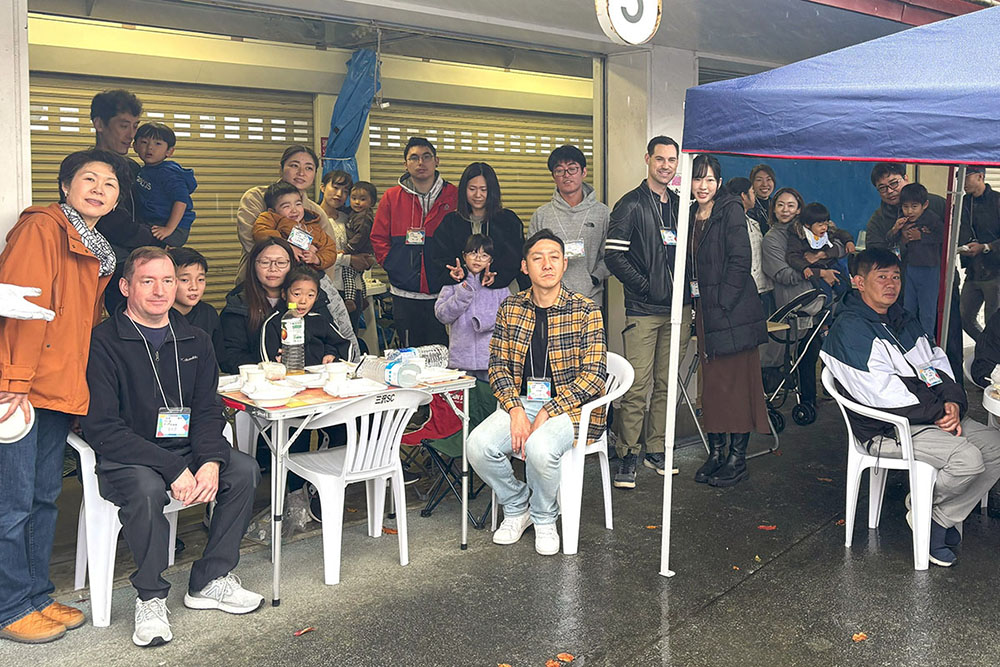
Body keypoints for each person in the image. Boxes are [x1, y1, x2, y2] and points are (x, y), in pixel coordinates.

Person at [80, 247, 263, 646]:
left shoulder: (195, 338)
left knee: (243, 470)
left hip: (186, 449)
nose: (160, 290)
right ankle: (150, 596)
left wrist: (210, 460)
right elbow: (102, 428)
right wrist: (172, 467)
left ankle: (210, 578)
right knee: (147, 491)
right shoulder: (102, 343)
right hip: (129, 456)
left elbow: (208, 410)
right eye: (147, 281)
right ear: (125, 287)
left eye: (168, 280)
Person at [0, 149, 124, 645]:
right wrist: (12, 382)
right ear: (66, 186)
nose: (99, 189)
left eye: (109, 184)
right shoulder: (42, 228)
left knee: (42, 498)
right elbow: (19, 309)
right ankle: (9, 606)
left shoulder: (95, 247)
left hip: (56, 389)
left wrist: (79, 393)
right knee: (12, 502)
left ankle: (35, 595)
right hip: (22, 389)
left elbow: (81, 331)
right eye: (88, 179)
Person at [820, 248, 1000, 567]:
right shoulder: (850, 329)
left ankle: (936, 516)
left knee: (995, 446)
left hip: (926, 414)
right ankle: (931, 516)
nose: (891, 284)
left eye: (896, 276)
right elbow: (883, 393)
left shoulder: (902, 319)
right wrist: (939, 410)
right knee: (968, 460)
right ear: (858, 282)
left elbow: (934, 366)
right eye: (881, 277)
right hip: (887, 428)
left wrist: (952, 402)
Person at [467, 229, 607, 556]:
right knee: (478, 446)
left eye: (554, 257)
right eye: (538, 258)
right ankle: (518, 506)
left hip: (573, 408)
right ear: (524, 266)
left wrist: (549, 410)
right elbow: (497, 365)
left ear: (564, 264)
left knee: (540, 447)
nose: (547, 265)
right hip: (523, 401)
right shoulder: (511, 307)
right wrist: (515, 409)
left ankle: (545, 517)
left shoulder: (585, 310)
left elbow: (594, 376)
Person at [604, 136, 691, 488]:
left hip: (678, 310)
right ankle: (627, 453)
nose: (666, 166)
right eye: (660, 159)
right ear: (647, 160)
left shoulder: (681, 205)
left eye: (671, 160)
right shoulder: (630, 204)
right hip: (643, 310)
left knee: (666, 384)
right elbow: (613, 256)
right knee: (637, 385)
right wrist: (646, 286)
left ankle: (656, 449)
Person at [689, 155, 769, 487]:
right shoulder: (689, 215)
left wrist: (721, 302)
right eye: (697, 179)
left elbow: (740, 261)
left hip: (732, 313)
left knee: (737, 387)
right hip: (707, 314)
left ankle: (737, 459)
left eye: (709, 179)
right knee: (714, 388)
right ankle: (717, 453)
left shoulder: (730, 210)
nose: (703, 186)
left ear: (719, 183)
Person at [864, 162, 962, 380]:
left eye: (894, 183)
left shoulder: (937, 204)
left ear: (905, 178)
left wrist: (925, 238)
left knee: (949, 342)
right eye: (882, 188)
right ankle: (925, 392)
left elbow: (958, 236)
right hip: (905, 291)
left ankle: (955, 393)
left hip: (942, 285)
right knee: (913, 346)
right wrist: (898, 239)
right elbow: (873, 254)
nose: (890, 191)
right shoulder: (878, 220)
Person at [370, 137, 457, 347]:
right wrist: (393, 264)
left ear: (436, 161)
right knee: (411, 353)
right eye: (414, 158)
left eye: (426, 157)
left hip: (444, 292)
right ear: (405, 164)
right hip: (404, 292)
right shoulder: (392, 197)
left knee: (444, 354)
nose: (421, 163)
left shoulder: (454, 195)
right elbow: (378, 237)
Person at [89, 89, 156, 312]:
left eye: (135, 126)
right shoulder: (85, 168)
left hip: (136, 262)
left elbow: (148, 208)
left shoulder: (133, 167)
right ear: (99, 124)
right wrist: (154, 240)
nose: (131, 135)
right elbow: (111, 222)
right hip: (104, 266)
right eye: (124, 125)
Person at [761, 187, 822, 411]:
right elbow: (782, 275)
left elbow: (834, 244)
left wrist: (822, 257)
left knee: (811, 352)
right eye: (780, 205)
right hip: (793, 304)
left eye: (790, 205)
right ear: (773, 209)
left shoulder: (806, 231)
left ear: (799, 209)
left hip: (816, 301)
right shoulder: (771, 239)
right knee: (799, 354)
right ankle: (802, 403)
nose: (785, 210)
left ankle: (809, 402)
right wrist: (816, 270)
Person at [428, 161, 527, 294]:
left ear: (492, 191)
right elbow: (439, 258)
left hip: (502, 293)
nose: (478, 195)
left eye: (483, 189)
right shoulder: (451, 222)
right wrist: (454, 273)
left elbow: (515, 258)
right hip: (463, 294)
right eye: (472, 189)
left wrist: (496, 275)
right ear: (464, 190)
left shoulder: (508, 220)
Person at [529, 145, 610, 305]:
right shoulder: (541, 214)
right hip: (549, 299)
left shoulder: (602, 213)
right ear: (553, 176)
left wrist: (595, 278)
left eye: (572, 169)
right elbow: (532, 256)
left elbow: (611, 256)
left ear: (584, 172)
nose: (566, 175)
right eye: (559, 170)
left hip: (590, 299)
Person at [434, 234, 509, 382]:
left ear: (491, 260)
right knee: (462, 396)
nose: (478, 259)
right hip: (460, 359)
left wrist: (484, 321)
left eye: (484, 255)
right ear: (464, 256)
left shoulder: (498, 285)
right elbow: (442, 315)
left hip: (491, 359)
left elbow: (510, 316)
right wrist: (462, 293)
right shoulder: (453, 282)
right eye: (473, 253)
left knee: (490, 396)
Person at [318, 170, 375, 332]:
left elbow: (365, 244)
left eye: (345, 191)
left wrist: (368, 260)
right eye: (335, 188)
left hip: (353, 291)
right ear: (323, 187)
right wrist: (349, 260)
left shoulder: (350, 217)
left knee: (350, 339)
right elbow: (312, 257)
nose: (339, 194)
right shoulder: (311, 217)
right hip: (324, 289)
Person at [262, 266, 351, 364]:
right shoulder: (274, 323)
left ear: (316, 297)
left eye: (310, 295)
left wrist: (331, 354)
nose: (303, 301)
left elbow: (343, 346)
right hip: (289, 372)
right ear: (284, 294)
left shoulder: (320, 321)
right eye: (297, 294)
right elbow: (267, 360)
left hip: (320, 373)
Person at [132, 122, 197, 247]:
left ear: (169, 151)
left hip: (175, 228)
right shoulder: (144, 170)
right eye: (144, 142)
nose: (150, 148)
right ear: (135, 146)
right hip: (155, 222)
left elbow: (181, 201)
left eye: (158, 144)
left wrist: (169, 228)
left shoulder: (169, 172)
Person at [252, 180, 336, 271]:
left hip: (309, 273)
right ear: (273, 210)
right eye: (286, 206)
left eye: (298, 204)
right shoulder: (271, 217)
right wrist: (287, 247)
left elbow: (330, 250)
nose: (294, 210)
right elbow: (261, 232)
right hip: (280, 270)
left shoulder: (314, 226)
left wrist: (317, 259)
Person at [958, 165, 1000, 343]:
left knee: (993, 322)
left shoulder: (997, 200)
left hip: (995, 270)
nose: (963, 182)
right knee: (964, 317)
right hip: (973, 270)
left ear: (980, 177)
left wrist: (985, 247)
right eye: (960, 177)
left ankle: (991, 353)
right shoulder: (964, 202)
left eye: (967, 177)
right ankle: (986, 347)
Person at [897, 183, 944, 340]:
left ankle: (927, 340)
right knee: (908, 307)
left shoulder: (932, 219)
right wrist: (897, 230)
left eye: (914, 206)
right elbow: (892, 238)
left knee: (927, 310)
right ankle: (908, 339)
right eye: (905, 207)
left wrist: (922, 236)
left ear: (925, 205)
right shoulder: (903, 219)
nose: (909, 211)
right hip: (911, 268)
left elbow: (944, 236)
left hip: (929, 269)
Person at [785, 202, 854, 305]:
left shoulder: (829, 230)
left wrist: (848, 241)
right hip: (817, 270)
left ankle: (846, 309)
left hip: (833, 264)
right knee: (825, 296)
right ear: (807, 225)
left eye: (826, 224)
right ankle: (826, 313)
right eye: (820, 225)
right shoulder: (798, 236)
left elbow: (841, 233)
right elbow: (792, 256)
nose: (824, 228)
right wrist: (804, 267)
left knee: (845, 289)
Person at [726, 176, 774, 315]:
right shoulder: (733, 222)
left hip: (759, 289)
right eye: (752, 191)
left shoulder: (752, 222)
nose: (754, 196)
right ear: (743, 195)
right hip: (745, 290)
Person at [167, 247, 222, 362]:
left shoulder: (208, 313)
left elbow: (219, 358)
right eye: (185, 280)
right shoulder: (159, 317)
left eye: (200, 279)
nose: (194, 287)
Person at [342, 181, 377, 314]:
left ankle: (350, 300)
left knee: (348, 272)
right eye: (354, 198)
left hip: (360, 250)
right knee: (358, 275)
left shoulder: (364, 217)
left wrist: (347, 249)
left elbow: (361, 236)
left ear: (371, 202)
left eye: (362, 199)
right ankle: (363, 297)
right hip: (361, 251)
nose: (357, 202)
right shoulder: (354, 212)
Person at [748, 164, 776, 235]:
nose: (765, 184)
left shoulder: (777, 204)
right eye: (759, 180)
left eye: (768, 179)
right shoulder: (748, 207)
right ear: (752, 183)